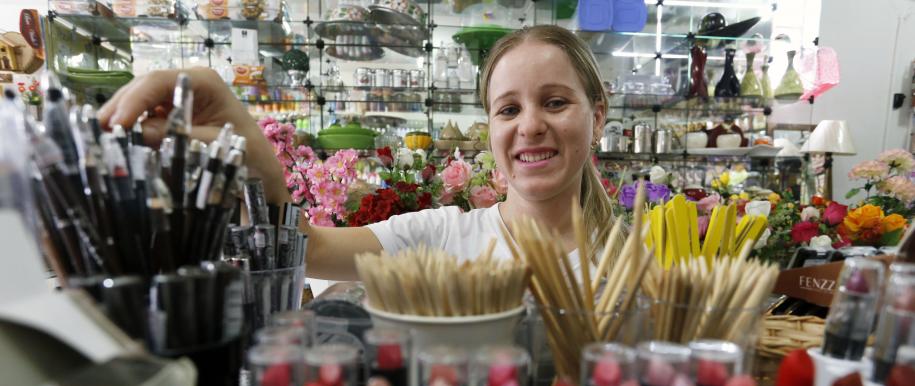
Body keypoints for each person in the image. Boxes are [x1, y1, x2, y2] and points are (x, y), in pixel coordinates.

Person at [99, 25, 617, 281]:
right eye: (508, 110)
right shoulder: (441, 237)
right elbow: (310, 251)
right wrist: (257, 160)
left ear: (596, 117)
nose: (530, 126)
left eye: (554, 102)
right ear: (489, 128)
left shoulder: (642, 260)